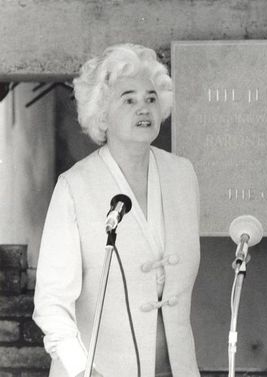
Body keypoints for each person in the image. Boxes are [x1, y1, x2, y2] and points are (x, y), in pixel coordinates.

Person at [33, 44, 201, 377]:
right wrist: (82, 368)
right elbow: (51, 302)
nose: (144, 109)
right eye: (129, 99)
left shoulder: (183, 175)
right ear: (102, 112)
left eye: (151, 98)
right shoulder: (75, 187)